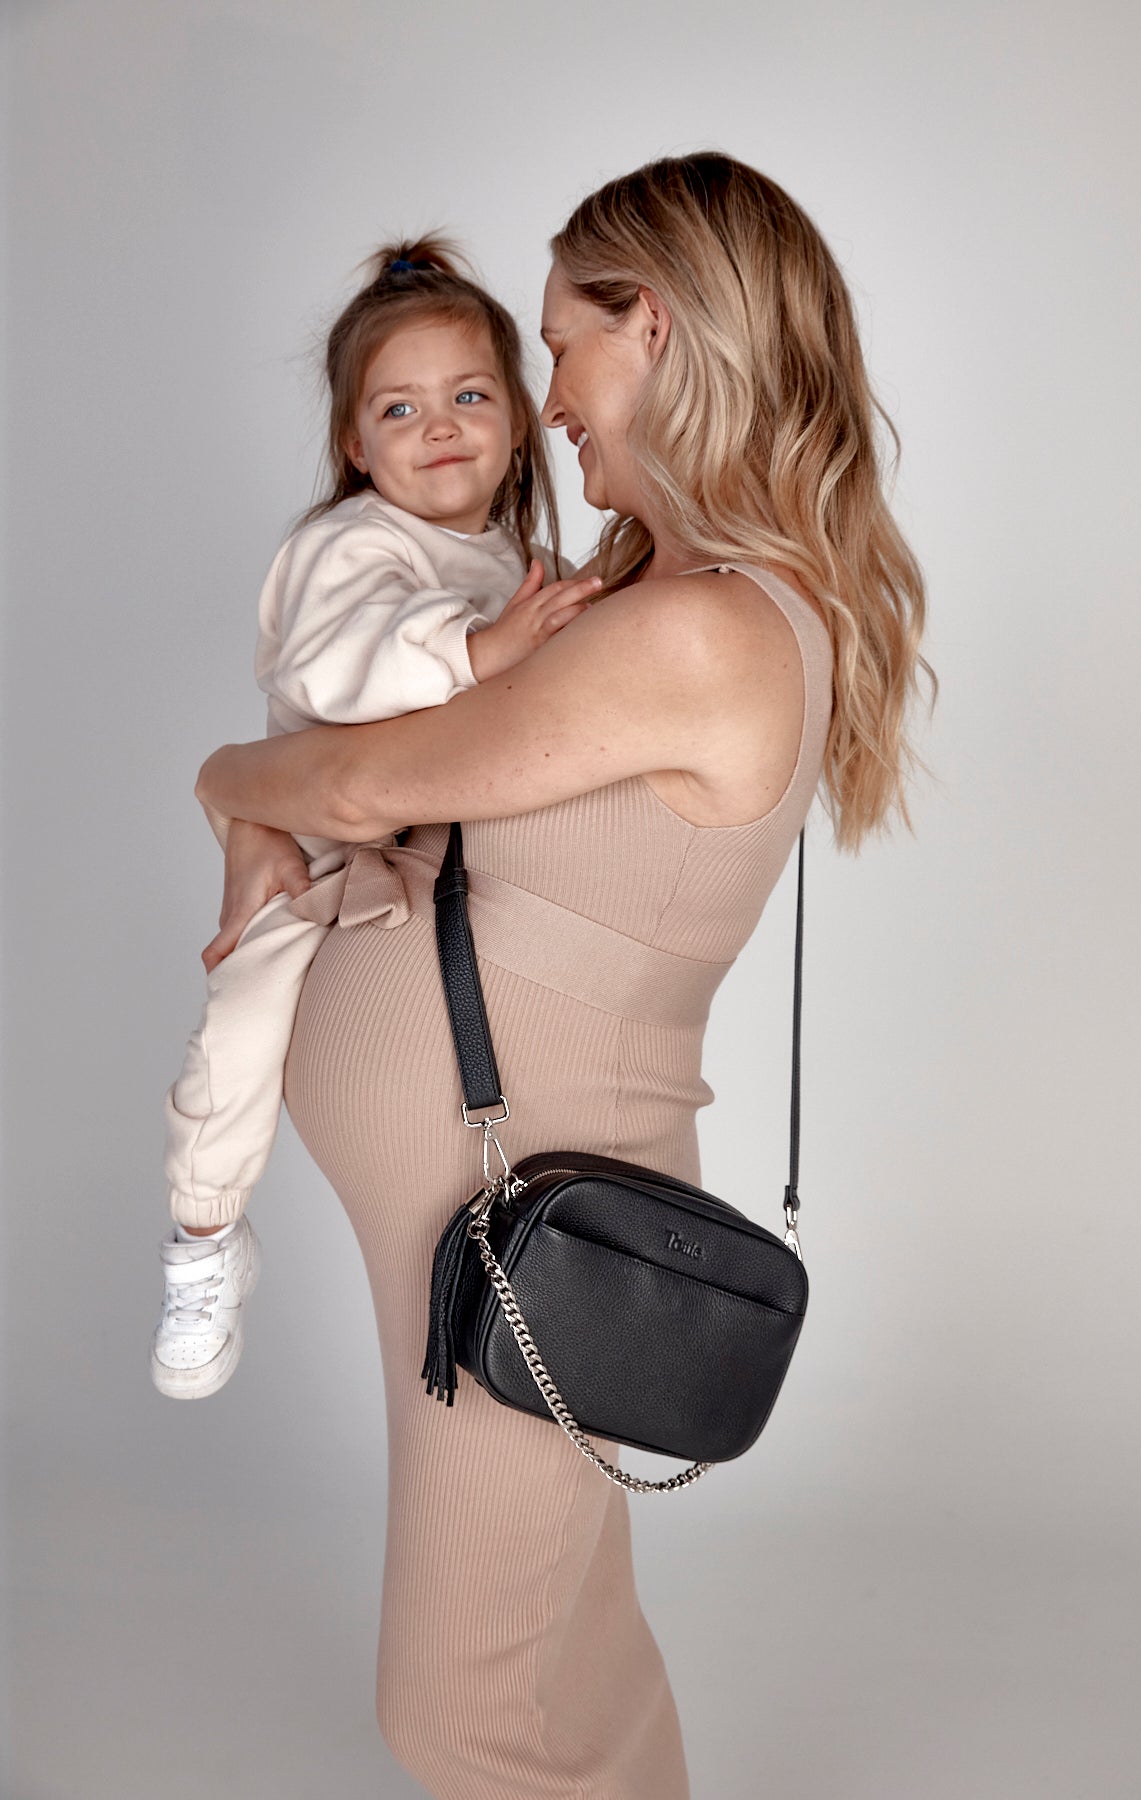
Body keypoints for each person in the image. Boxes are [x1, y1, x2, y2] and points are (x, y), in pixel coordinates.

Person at [193, 152, 933, 1798]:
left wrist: (224, 785)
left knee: (483, 1699)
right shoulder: (658, 598)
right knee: (552, 1654)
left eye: (560, 346)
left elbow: (366, 780)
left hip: (522, 1204)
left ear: (651, 330)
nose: (549, 404)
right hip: (499, 1198)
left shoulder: (704, 635)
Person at [152, 239, 599, 1399]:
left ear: (516, 420)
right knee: (240, 1021)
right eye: (399, 409)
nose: (439, 425)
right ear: (356, 447)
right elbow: (347, 671)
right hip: (310, 843)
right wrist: (482, 649)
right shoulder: (347, 543)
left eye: (468, 396)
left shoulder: (520, 559)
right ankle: (203, 1239)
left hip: (432, 852)